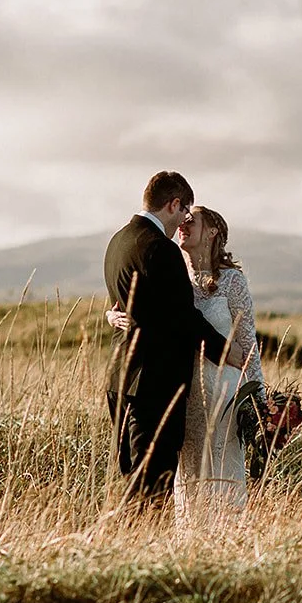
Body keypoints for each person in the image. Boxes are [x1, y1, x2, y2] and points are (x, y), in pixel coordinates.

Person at [109, 205, 267, 526]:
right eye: (182, 218)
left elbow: (248, 342)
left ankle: (225, 535)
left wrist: (261, 401)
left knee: (221, 467)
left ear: (213, 232)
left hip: (223, 396)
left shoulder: (232, 281)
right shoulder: (172, 269)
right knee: (186, 471)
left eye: (192, 220)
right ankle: (191, 539)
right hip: (183, 390)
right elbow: (141, 304)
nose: (183, 223)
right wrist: (110, 315)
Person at [102, 172, 242, 505]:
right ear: (173, 204)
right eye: (184, 212)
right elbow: (182, 317)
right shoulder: (160, 249)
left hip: (122, 378)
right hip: (153, 384)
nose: (183, 221)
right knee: (152, 486)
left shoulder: (118, 241)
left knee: (133, 477)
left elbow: (129, 304)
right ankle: (138, 537)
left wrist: (109, 315)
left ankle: (131, 534)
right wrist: (225, 351)